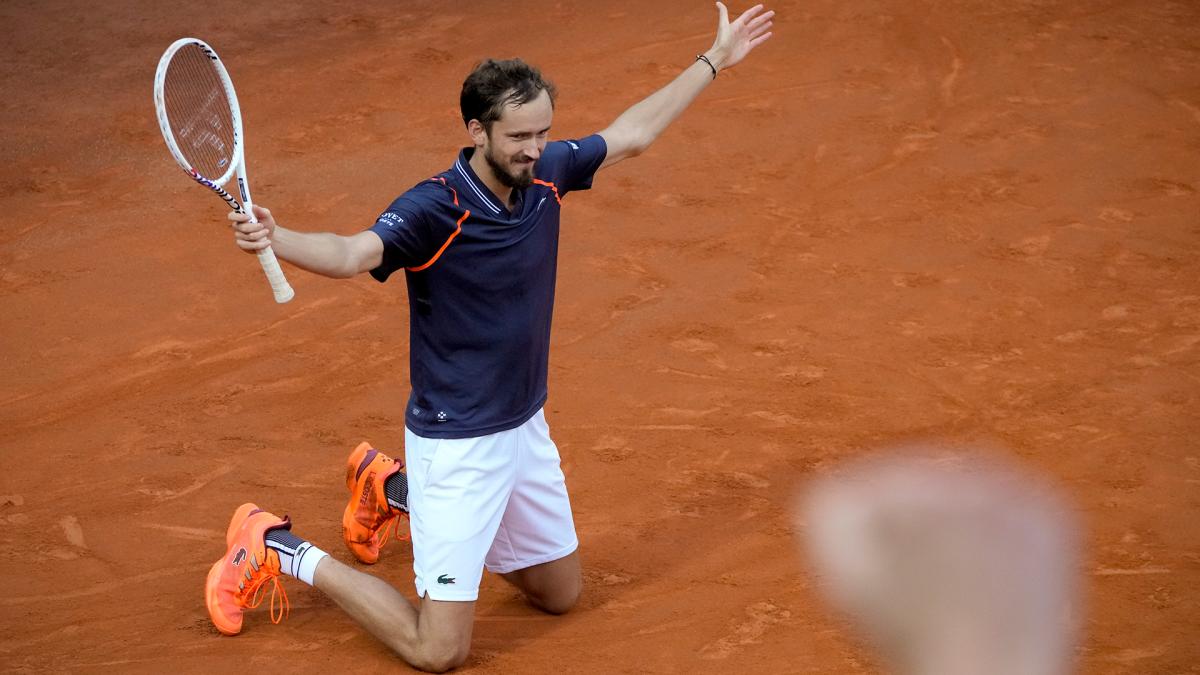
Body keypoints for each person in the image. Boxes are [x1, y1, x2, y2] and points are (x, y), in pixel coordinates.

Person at [205, 3, 774, 671]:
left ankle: (387, 489)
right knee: (438, 649)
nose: (534, 149)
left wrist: (713, 62)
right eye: (518, 137)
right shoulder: (434, 207)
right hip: (456, 446)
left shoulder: (547, 177)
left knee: (560, 594)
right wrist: (278, 238)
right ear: (476, 129)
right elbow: (351, 251)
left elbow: (631, 135)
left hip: (523, 430)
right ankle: (278, 546)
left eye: (542, 133)